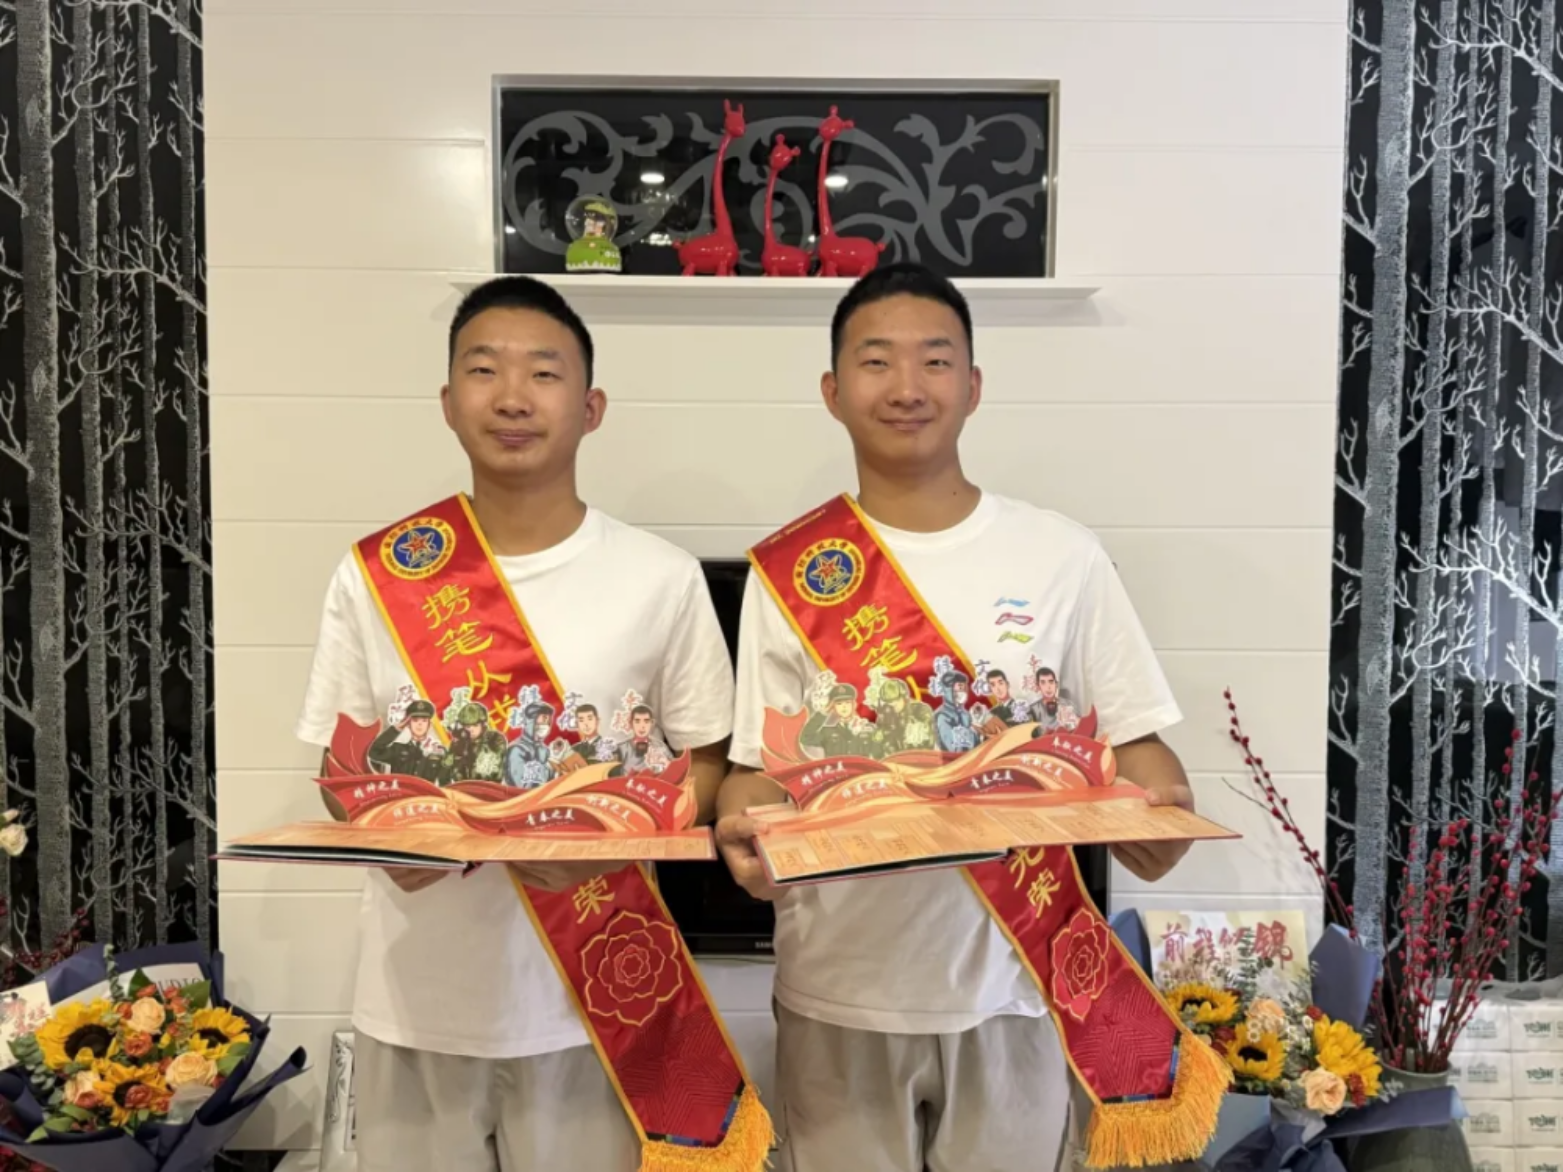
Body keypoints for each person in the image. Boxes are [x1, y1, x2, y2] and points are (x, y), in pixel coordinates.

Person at [714, 264, 1200, 1172]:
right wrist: (740, 836)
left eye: (934, 361)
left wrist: (1162, 813)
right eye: (875, 361)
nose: (906, 387)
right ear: (831, 391)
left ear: (972, 386)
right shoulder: (791, 574)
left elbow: (1138, 748)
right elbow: (755, 769)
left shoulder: (1061, 555)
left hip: (1015, 985)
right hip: (838, 986)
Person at [296, 276, 761, 1171]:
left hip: (596, 999)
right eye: (484, 370)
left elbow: (708, 765)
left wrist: (611, 837)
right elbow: (340, 764)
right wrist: (388, 834)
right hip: (416, 1002)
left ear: (590, 407)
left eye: (543, 373)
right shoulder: (379, 573)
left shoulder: (658, 577)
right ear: (447, 402)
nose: (512, 397)